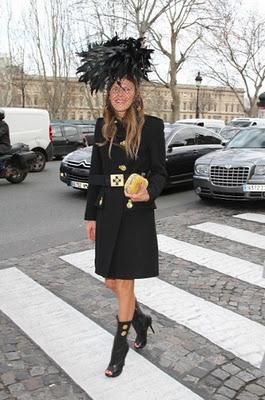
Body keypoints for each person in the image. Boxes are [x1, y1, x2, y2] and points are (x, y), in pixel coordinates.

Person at [77, 36, 167, 378]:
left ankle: (119, 352)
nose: (119, 94)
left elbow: (160, 170)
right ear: (107, 92)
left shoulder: (153, 127)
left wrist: (150, 191)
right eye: (115, 88)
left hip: (136, 214)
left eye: (126, 88)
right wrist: (90, 215)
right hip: (109, 211)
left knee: (125, 286)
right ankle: (141, 319)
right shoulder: (102, 126)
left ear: (135, 92)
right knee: (111, 283)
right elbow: (97, 174)